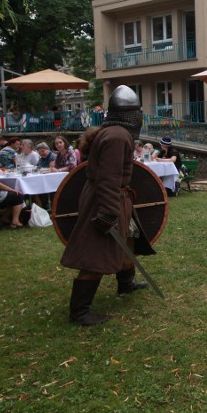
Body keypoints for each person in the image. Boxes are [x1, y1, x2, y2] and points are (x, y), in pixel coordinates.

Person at [61, 85, 151, 326]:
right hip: (106, 199)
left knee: (128, 238)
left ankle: (126, 283)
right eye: (136, 112)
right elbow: (108, 177)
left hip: (115, 197)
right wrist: (108, 212)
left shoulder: (113, 132)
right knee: (97, 252)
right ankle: (80, 311)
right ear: (130, 114)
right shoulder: (117, 136)